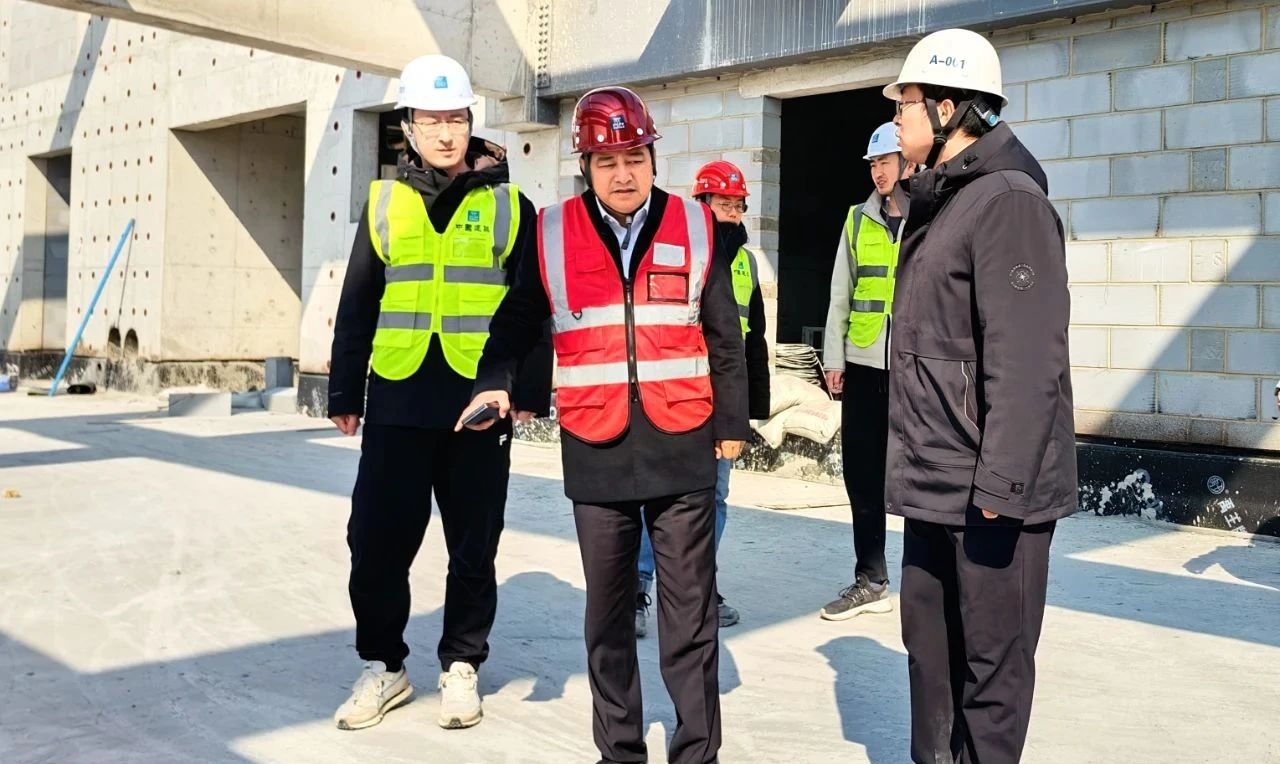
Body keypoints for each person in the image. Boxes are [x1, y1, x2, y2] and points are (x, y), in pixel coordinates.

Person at [459, 86, 749, 764]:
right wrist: (496, 382)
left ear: (653, 159)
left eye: (635, 158)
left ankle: (697, 752)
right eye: (607, 161)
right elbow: (517, 322)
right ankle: (619, 752)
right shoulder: (550, 232)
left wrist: (731, 422)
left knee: (690, 615)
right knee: (609, 616)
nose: (624, 174)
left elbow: (724, 336)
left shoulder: (696, 225)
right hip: (596, 444)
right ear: (585, 167)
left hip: (683, 440)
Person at [327, 54, 551, 732]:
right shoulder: (383, 201)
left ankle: (461, 664)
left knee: (474, 543)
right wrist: (345, 389)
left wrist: (529, 390)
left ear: (471, 122)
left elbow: (532, 305)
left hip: (479, 399)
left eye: (456, 118)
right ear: (410, 126)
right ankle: (384, 666)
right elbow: (358, 299)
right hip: (398, 394)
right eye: (432, 120)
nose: (446, 132)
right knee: (374, 539)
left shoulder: (511, 205)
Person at [883, 28, 1077, 763]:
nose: (895, 118)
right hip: (937, 479)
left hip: (991, 494)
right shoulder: (943, 199)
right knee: (930, 658)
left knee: (991, 674)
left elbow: (1026, 359)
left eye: (904, 103)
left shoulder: (1008, 202)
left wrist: (1001, 484)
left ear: (948, 108)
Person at [635, 159, 771, 637]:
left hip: (723, 401)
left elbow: (754, 340)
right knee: (662, 494)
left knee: (715, 496)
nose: (732, 213)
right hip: (677, 394)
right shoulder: (677, 250)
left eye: (738, 205)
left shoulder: (746, 263)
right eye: (723, 203)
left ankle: (698, 588)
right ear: (701, 203)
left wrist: (751, 408)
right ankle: (639, 585)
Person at [819, 122, 916, 622]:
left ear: (907, 162)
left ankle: (926, 582)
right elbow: (841, 291)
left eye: (885, 162)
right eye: (873, 164)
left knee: (921, 473)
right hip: (862, 363)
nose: (878, 171)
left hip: (915, 368)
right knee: (862, 473)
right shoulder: (857, 219)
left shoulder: (930, 214)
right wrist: (834, 359)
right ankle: (871, 578)